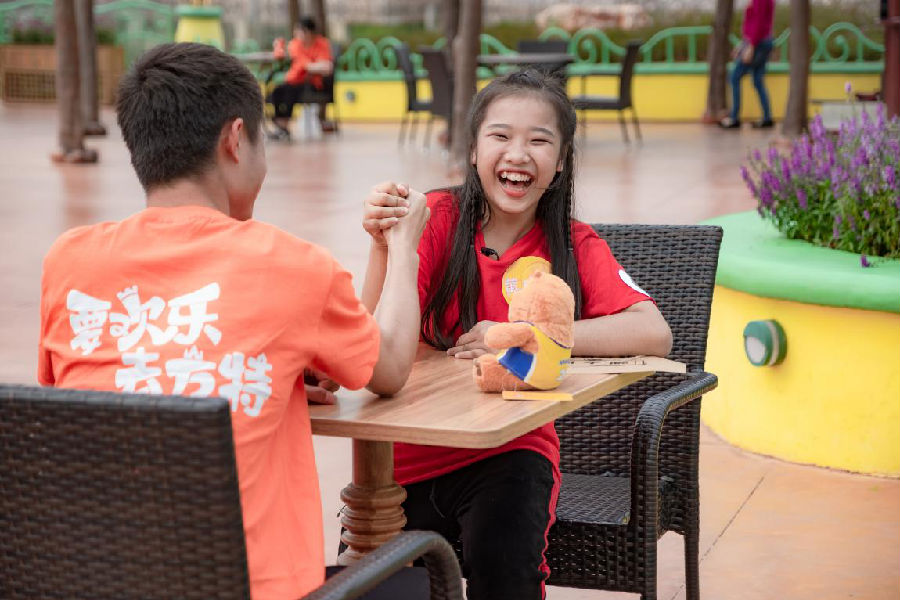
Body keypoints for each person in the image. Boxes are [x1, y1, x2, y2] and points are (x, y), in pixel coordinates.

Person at [38, 42, 429, 600]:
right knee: (413, 581)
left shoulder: (69, 261)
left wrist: (261, 371)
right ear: (236, 139)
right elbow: (388, 368)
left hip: (94, 581)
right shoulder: (291, 265)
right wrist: (405, 247)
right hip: (253, 587)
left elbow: (96, 389)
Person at [360, 69, 673, 600]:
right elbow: (369, 340)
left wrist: (533, 335)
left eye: (539, 140)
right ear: (473, 149)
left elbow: (653, 331)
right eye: (501, 136)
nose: (519, 154)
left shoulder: (572, 244)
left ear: (562, 159)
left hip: (510, 455)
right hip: (403, 457)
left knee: (506, 572)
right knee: (375, 583)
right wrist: (384, 246)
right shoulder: (436, 219)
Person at [269, 16, 335, 139]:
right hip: (294, 80)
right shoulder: (295, 44)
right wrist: (315, 65)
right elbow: (307, 65)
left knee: (291, 92)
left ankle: (283, 126)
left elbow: (327, 67)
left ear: (308, 32)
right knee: (277, 92)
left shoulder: (322, 43)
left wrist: (311, 66)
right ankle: (281, 125)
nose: (296, 34)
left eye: (298, 31)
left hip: (312, 83)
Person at [719, 0, 776, 129]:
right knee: (757, 81)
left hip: (758, 43)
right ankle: (767, 118)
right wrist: (742, 45)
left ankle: (734, 117)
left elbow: (759, 22)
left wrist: (751, 46)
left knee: (734, 77)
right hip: (760, 42)